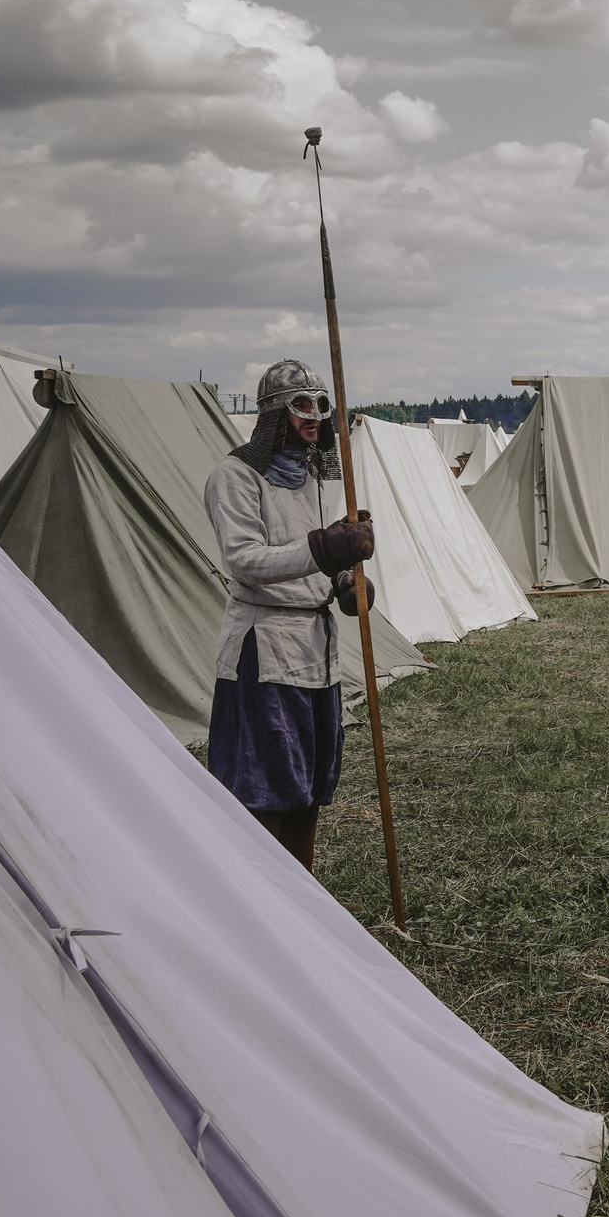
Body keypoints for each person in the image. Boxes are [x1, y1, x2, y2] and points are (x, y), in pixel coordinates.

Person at [202, 359, 374, 869]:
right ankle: (260, 903)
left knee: (309, 785)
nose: (315, 416)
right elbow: (244, 560)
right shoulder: (234, 476)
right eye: (302, 404)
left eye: (321, 405)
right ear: (275, 412)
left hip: (316, 654)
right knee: (265, 788)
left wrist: (346, 581)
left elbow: (317, 562)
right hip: (265, 650)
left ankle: (303, 901)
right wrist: (324, 549)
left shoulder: (315, 479)